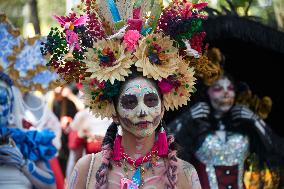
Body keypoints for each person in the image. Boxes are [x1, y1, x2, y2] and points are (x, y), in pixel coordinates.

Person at [42, 0, 213, 188]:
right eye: (130, 102)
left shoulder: (185, 173)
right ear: (114, 112)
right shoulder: (87, 168)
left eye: (150, 101)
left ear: (163, 109)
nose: (142, 111)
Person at [171, 73, 284, 189]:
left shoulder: (244, 126)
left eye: (230, 88)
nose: (226, 93)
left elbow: (276, 149)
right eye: (218, 89)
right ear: (206, 92)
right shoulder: (194, 126)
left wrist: (256, 120)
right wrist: (185, 118)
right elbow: (162, 147)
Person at [0, 72, 57, 189]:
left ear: (11, 104)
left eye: (1, 100)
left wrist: (23, 163)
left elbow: (51, 185)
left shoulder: (26, 140)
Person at [66, 108, 112, 179]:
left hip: (113, 174)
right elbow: (74, 159)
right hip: (90, 175)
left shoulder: (117, 116)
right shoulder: (83, 116)